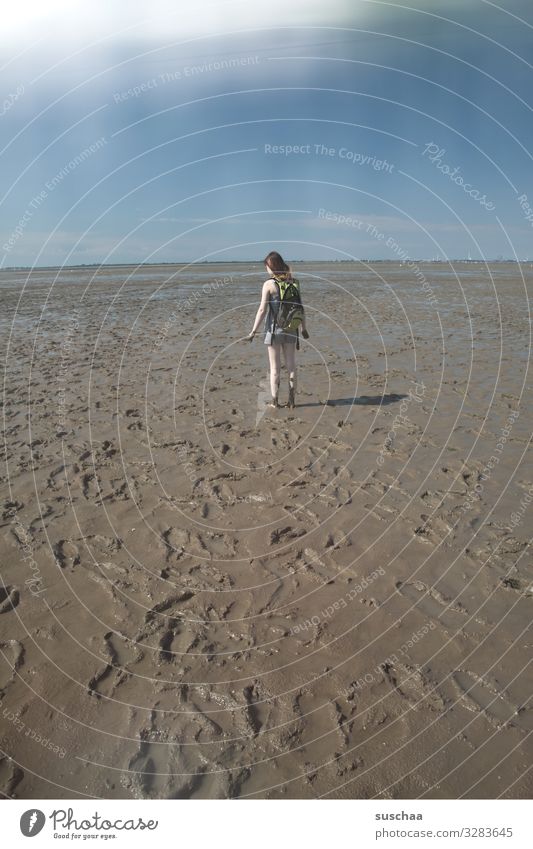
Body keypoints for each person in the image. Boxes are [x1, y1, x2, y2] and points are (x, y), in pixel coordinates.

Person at [247, 251, 309, 408]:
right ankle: (292, 401)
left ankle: (275, 402)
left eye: (267, 266)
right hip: (292, 330)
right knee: (291, 366)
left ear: (271, 267)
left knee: (275, 368)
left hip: (274, 331)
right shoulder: (294, 282)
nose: (266, 269)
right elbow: (301, 308)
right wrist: (303, 328)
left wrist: (253, 331)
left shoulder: (269, 284)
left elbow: (262, 310)